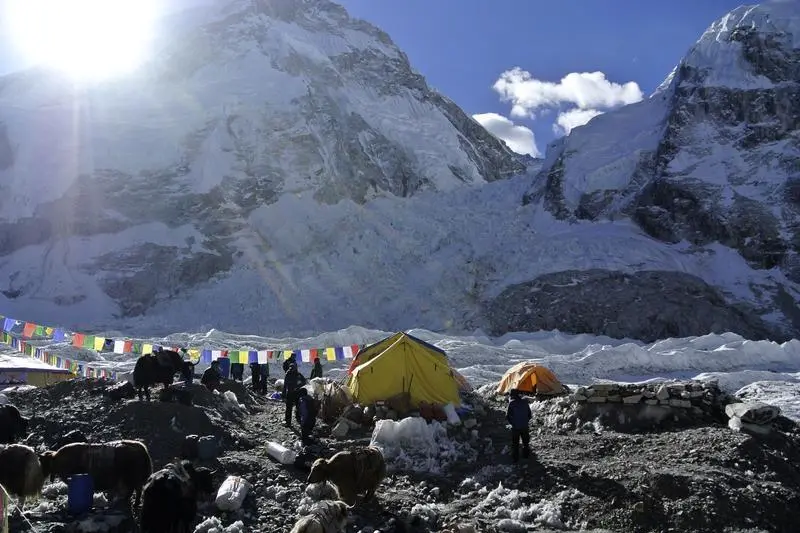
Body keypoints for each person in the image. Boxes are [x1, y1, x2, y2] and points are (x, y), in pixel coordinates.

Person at [506, 389, 532, 463]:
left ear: (512, 395)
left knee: (515, 444)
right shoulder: (525, 402)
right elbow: (529, 415)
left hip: (516, 427)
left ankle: (515, 458)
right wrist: (525, 421)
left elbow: (508, 416)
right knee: (526, 442)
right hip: (525, 426)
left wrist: (513, 423)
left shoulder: (511, 403)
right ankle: (526, 455)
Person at [282, 363, 306, 427]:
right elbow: (285, 385)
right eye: (290, 367)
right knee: (293, 407)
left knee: (292, 408)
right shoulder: (292, 374)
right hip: (293, 393)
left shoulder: (294, 374)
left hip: (292, 393)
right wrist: (298, 386)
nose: (291, 369)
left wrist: (298, 386)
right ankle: (294, 421)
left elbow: (304, 381)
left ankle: (290, 422)